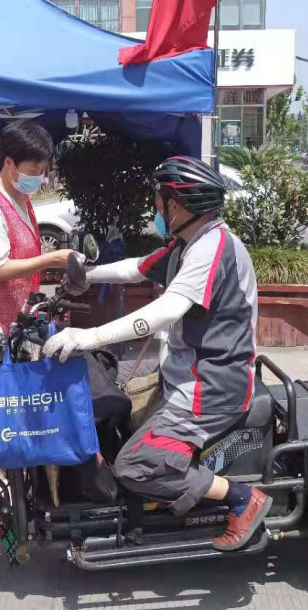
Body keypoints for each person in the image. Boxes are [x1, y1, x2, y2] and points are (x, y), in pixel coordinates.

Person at [43, 156, 271, 552]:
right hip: (187, 375)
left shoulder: (212, 248)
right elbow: (136, 268)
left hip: (211, 389)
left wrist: (88, 336)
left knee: (133, 464)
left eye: (159, 200)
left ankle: (241, 498)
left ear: (177, 205)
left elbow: (164, 312)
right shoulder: (189, 244)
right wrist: (87, 274)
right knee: (114, 406)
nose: (156, 208)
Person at [0, 121, 73, 364]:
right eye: (33, 170)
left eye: (43, 169)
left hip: (16, 323)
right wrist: (53, 258)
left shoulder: (21, 197)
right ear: (9, 163)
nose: (39, 177)